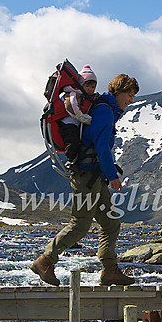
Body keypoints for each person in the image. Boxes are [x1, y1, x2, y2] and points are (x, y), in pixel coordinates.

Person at [31, 73, 139, 286]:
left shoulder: (107, 110)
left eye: (133, 96)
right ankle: (44, 261)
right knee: (80, 224)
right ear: (117, 91)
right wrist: (112, 176)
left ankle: (109, 270)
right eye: (129, 94)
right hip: (87, 176)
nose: (131, 100)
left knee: (110, 223)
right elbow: (101, 147)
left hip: (94, 177)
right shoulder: (104, 111)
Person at [57, 65, 97, 168]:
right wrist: (83, 118)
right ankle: (70, 160)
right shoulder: (73, 94)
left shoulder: (86, 97)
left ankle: (76, 161)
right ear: (81, 84)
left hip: (76, 124)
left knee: (79, 142)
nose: (90, 89)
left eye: (93, 87)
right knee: (72, 141)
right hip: (68, 123)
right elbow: (71, 107)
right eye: (87, 86)